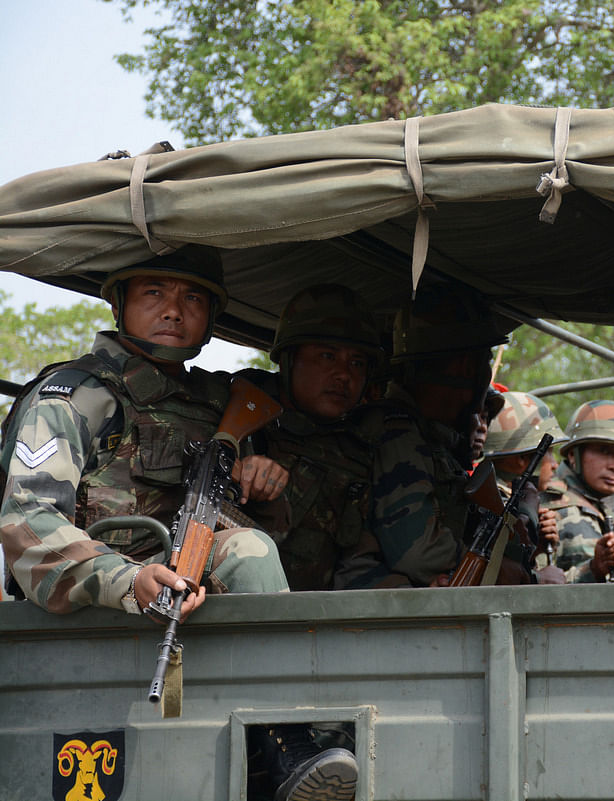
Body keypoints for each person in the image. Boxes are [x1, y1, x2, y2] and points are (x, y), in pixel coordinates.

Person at [0, 249, 355, 801]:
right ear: (119, 304)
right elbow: (28, 523)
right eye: (154, 294)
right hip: (97, 615)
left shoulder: (222, 401)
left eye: (192, 298)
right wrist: (127, 580)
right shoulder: (77, 395)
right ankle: (284, 743)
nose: (173, 311)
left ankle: (287, 745)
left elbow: (291, 540)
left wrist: (260, 482)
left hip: (200, 599)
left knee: (252, 548)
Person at [337, 286, 534, 588]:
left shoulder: (428, 437)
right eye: (484, 362)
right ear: (467, 366)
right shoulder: (397, 431)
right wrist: (495, 568)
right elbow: (419, 551)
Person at [240, 283, 384, 592]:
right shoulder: (235, 415)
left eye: (357, 363)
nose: (343, 374)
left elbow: (359, 561)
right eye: (327, 356)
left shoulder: (359, 453)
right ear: (289, 359)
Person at [541, 400, 614, 583]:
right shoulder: (559, 509)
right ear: (573, 454)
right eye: (604, 451)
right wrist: (594, 569)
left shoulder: (598, 511)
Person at [479, 390, 568, 583]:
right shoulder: (493, 505)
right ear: (522, 458)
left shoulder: (503, 498)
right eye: (549, 453)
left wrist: (536, 546)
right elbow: (491, 576)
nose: (554, 464)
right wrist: (536, 578)